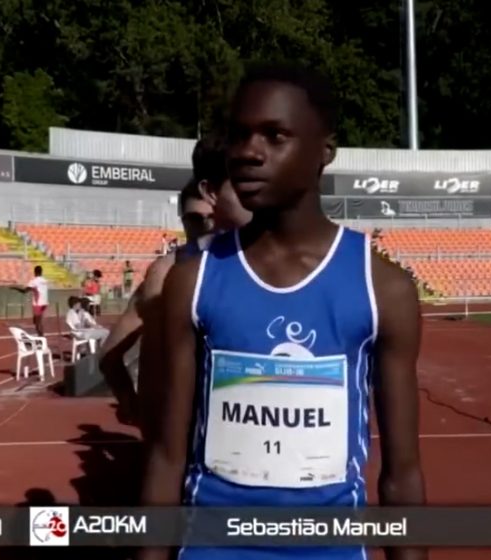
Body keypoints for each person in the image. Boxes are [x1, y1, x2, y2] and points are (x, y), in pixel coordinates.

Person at [137, 63, 425, 560]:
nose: (248, 152)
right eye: (239, 135)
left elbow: (401, 476)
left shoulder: (384, 288)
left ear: (324, 153)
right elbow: (167, 457)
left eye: (275, 135)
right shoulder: (194, 279)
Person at [98, 135, 251, 428]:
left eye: (211, 217)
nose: (208, 225)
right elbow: (110, 355)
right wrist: (135, 409)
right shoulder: (167, 271)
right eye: (196, 219)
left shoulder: (264, 259)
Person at [10, 265, 50, 337]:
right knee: (38, 321)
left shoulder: (34, 281)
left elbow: (24, 291)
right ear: (41, 272)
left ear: (35, 272)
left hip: (38, 304)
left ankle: (41, 338)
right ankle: (41, 336)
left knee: (38, 323)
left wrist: (14, 288)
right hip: (45, 303)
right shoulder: (45, 280)